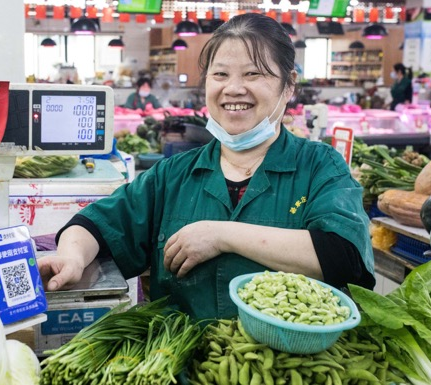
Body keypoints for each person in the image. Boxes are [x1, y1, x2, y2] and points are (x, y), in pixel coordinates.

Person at [39, 13, 375, 320]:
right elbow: (97, 224)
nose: (233, 88)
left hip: (287, 365)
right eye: (220, 75)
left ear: (288, 85)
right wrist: (72, 256)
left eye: (253, 74)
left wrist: (222, 235)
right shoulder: (173, 175)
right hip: (181, 364)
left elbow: (344, 258)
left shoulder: (319, 166)